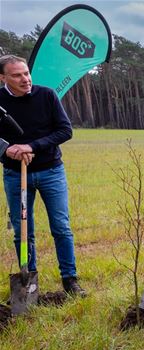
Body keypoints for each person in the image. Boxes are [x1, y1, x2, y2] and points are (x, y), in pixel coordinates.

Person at [0, 55, 86, 296]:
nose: (25, 79)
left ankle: (70, 280)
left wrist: (31, 146)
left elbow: (65, 130)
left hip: (51, 171)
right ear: (2, 78)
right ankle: (30, 283)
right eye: (17, 75)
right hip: (15, 175)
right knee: (23, 231)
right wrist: (7, 149)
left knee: (61, 227)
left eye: (26, 73)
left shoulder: (46, 95)